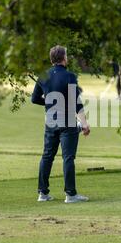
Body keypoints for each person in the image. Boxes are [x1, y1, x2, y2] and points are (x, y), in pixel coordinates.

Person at [31, 45, 90, 203]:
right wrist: (84, 123)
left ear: (52, 59)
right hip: (67, 121)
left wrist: (51, 104)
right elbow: (76, 103)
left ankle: (42, 194)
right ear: (64, 58)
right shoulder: (70, 76)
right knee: (68, 157)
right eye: (67, 55)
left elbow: (34, 99)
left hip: (50, 120)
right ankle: (70, 194)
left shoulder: (43, 75)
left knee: (47, 156)